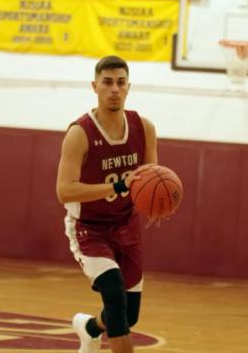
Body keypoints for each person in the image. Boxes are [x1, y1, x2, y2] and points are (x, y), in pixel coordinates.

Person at [56, 55, 158, 353]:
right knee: (113, 292)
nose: (115, 89)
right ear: (95, 86)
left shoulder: (144, 127)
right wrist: (116, 186)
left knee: (128, 315)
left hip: (126, 225)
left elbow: (150, 179)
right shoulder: (80, 133)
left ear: (129, 87)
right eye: (108, 82)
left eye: (121, 82)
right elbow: (64, 191)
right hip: (90, 229)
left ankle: (89, 328)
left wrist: (155, 202)